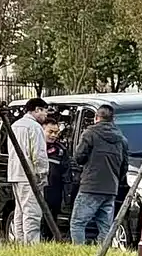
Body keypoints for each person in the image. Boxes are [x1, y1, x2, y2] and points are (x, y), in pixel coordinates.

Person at [70, 105, 129, 245]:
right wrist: (116, 180)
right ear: (113, 119)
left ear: (96, 118)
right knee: (105, 226)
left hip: (90, 186)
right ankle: (102, 253)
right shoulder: (122, 139)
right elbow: (124, 166)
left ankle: (78, 253)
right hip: (110, 189)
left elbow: (79, 157)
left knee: (77, 223)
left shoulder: (90, 133)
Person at [6, 97, 50, 244]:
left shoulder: (15, 125)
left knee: (20, 211)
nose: (46, 116)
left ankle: (19, 242)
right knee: (32, 212)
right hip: (30, 175)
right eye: (45, 111)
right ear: (37, 109)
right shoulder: (35, 127)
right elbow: (38, 154)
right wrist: (42, 173)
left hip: (15, 173)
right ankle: (31, 245)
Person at [42, 119, 68, 239]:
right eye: (50, 131)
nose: (53, 135)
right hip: (38, 189)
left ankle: (47, 240)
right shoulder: (35, 147)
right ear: (42, 129)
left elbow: (66, 170)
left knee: (51, 219)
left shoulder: (60, 150)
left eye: (56, 132)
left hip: (54, 191)